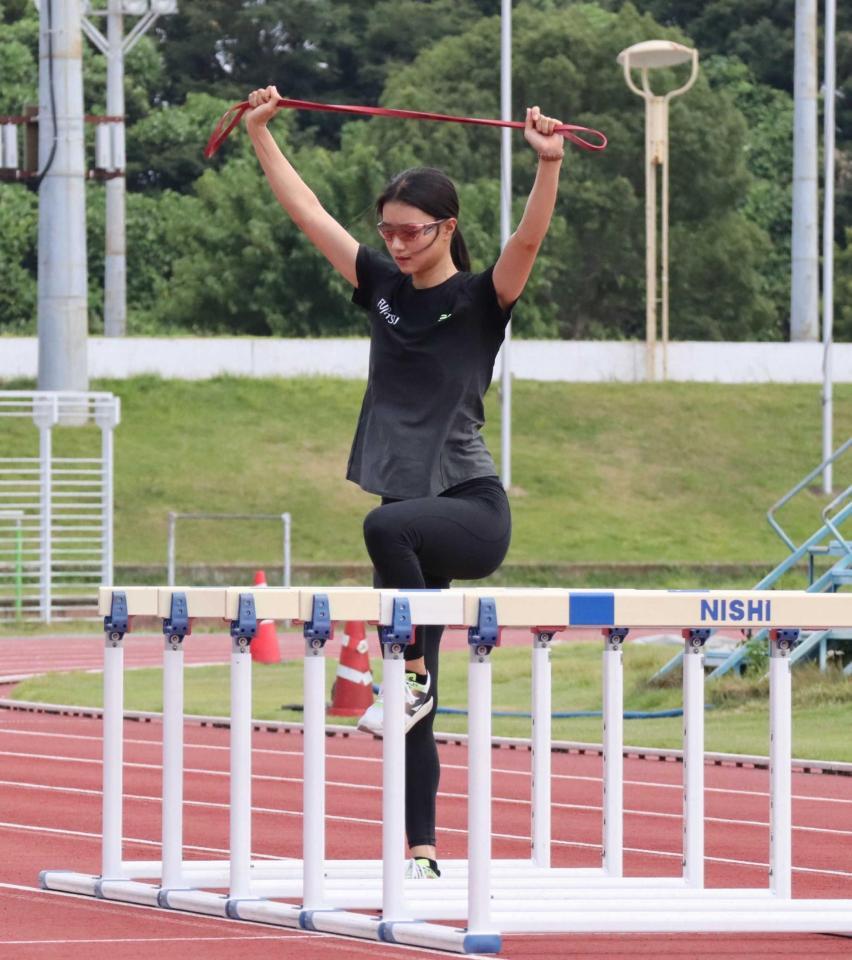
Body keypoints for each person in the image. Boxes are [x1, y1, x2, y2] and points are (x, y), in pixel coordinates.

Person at [245, 86, 565, 880]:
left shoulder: (482, 298)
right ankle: (422, 850)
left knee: (386, 537)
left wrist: (549, 164)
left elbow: (527, 239)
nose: (395, 242)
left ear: (447, 228)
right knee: (410, 693)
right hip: (410, 516)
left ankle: (413, 672)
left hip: (469, 510)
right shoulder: (382, 291)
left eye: (410, 231)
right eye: (386, 230)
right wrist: (260, 135)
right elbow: (310, 213)